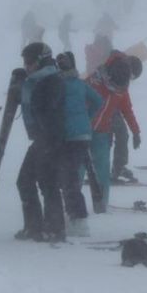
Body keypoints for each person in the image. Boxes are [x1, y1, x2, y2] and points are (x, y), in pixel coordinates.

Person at [15, 42, 66, 242]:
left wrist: (25, 84)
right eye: (25, 62)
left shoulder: (51, 80)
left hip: (50, 138)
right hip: (42, 138)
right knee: (28, 181)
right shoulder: (39, 80)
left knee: (46, 183)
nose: (27, 66)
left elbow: (44, 108)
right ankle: (36, 226)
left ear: (41, 60)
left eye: (29, 61)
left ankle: (53, 228)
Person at [86, 51, 142, 212]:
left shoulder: (122, 90)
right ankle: (74, 206)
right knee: (80, 167)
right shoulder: (94, 81)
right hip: (83, 131)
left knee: (103, 169)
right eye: (115, 87)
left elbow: (127, 110)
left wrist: (136, 131)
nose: (118, 90)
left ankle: (101, 204)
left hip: (102, 132)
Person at [56, 52, 102, 237]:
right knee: (72, 176)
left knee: (68, 178)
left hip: (68, 136)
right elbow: (98, 100)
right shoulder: (81, 83)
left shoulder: (59, 85)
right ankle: (77, 217)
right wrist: (86, 118)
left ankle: (78, 218)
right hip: (84, 134)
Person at [109, 55, 143, 184]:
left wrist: (136, 132)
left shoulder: (122, 85)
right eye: (131, 76)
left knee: (122, 134)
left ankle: (119, 167)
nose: (129, 80)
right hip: (97, 109)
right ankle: (98, 168)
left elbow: (127, 109)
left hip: (113, 111)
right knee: (104, 139)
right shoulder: (110, 72)